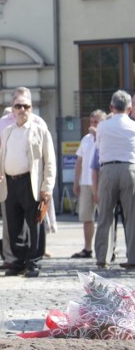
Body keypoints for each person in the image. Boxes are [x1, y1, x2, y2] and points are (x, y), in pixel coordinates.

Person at [0, 90, 56, 278]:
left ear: (31, 109)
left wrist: (46, 187)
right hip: (10, 184)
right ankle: (19, 261)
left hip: (30, 182)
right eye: (18, 106)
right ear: (12, 110)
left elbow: (50, 161)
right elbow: (1, 156)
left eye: (26, 106)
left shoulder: (40, 130)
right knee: (14, 227)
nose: (22, 109)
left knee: (35, 224)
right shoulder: (7, 131)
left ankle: (34, 262)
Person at [94, 90, 135, 269]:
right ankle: (133, 257)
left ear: (111, 107)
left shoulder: (103, 126)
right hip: (130, 169)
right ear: (130, 108)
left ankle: (103, 257)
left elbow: (98, 146)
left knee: (105, 215)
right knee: (131, 217)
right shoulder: (133, 126)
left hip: (108, 169)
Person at [72, 109, 106, 258]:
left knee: (104, 217)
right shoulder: (85, 139)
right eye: (91, 122)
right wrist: (76, 181)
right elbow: (79, 161)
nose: (93, 125)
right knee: (86, 217)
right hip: (85, 182)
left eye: (96, 122)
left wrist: (98, 133)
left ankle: (106, 248)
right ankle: (87, 248)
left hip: (100, 182)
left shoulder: (105, 137)